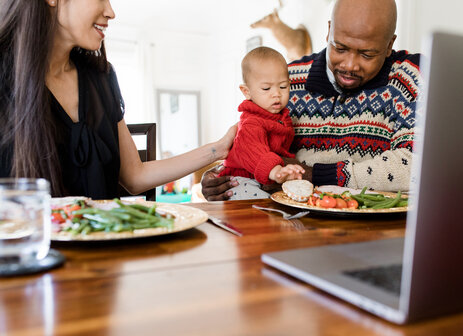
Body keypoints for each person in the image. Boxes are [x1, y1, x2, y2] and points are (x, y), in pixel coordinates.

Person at [0, 0, 236, 199]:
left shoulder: (102, 78)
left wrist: (218, 150)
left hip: (107, 248)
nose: (110, 11)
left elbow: (135, 177)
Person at [202, 0, 421, 201]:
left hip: (375, 231)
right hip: (289, 225)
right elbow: (250, 141)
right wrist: (223, 176)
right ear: (328, 32)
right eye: (340, 48)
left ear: (390, 44)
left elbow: (416, 165)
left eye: (367, 55)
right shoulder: (286, 82)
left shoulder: (409, 78)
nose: (350, 65)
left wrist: (314, 174)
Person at [219, 47, 304, 200]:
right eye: (266, 88)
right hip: (240, 180)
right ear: (247, 91)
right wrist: (277, 172)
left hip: (265, 177)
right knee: (261, 206)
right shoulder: (251, 123)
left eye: (283, 86)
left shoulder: (280, 117)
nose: (276, 93)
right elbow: (254, 152)